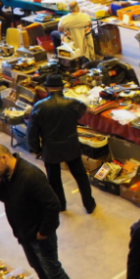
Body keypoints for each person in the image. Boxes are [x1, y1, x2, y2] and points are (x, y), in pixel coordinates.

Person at [0, 145, 81, 279]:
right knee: (39, 269)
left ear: (4, 158)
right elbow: (7, 199)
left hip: (40, 236)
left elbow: (53, 205)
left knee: (53, 271)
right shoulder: (5, 174)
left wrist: (43, 232)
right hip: (24, 234)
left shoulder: (30, 175)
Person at [28, 73, 96, 214]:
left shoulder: (39, 107)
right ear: (62, 87)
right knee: (81, 177)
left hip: (50, 149)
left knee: (54, 179)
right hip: (71, 146)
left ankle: (61, 205)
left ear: (47, 88)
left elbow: (32, 132)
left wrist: (37, 150)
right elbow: (83, 109)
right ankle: (89, 205)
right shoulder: (73, 104)